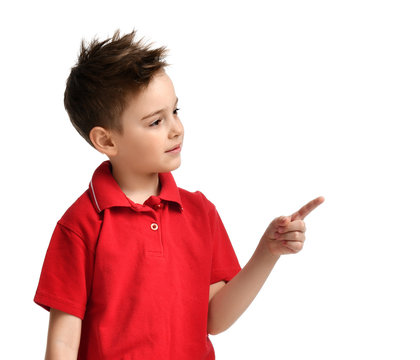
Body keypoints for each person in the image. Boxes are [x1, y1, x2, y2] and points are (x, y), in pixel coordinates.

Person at [34, 29, 324, 360]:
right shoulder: (80, 224)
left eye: (175, 110)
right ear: (107, 141)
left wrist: (267, 251)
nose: (176, 128)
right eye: (155, 121)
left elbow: (215, 318)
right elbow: (62, 343)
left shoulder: (200, 212)